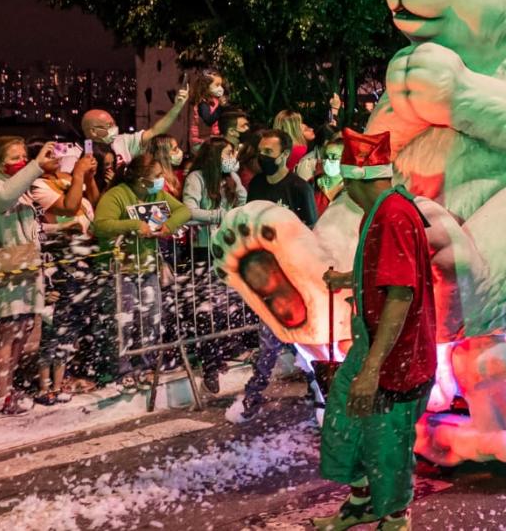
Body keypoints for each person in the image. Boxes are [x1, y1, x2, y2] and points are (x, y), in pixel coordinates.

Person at [312, 129, 436, 531]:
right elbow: (389, 273)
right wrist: (350, 279)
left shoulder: (394, 215)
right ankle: (362, 501)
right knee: (346, 419)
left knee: (387, 439)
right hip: (374, 344)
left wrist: (372, 369)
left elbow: (400, 294)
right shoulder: (383, 210)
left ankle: (394, 519)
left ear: (351, 181)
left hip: (395, 354)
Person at [232, 128, 319, 419]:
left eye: (269, 153)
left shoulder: (298, 188)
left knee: (301, 340)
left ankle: (317, 389)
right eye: (261, 151)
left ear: (284, 155)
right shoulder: (257, 184)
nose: (263, 157)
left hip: (295, 278)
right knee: (269, 341)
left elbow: (311, 230)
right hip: (267, 278)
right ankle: (254, 394)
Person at [92, 153, 191, 389]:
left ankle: (147, 366)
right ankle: (121, 369)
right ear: (141, 179)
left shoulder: (156, 194)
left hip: (148, 267)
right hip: (120, 270)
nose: (161, 180)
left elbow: (184, 211)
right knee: (122, 322)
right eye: (157, 176)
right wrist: (134, 225)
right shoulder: (117, 195)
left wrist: (168, 225)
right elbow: (101, 224)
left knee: (151, 318)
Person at [0, 137, 53, 418]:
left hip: (27, 264)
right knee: (7, 334)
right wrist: (34, 166)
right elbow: (1, 200)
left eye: (23, 155)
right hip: (8, 267)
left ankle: (8, 390)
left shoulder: (19, 188)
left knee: (23, 330)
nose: (20, 161)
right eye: (13, 157)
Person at [27, 140, 99, 405]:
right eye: (51, 155)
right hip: (56, 263)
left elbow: (93, 204)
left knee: (70, 327)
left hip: (80, 260)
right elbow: (68, 208)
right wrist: (78, 174)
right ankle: (44, 386)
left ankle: (60, 381)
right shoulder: (37, 185)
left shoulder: (67, 179)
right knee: (52, 326)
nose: (58, 159)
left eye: (57, 154)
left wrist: (87, 177)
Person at [182, 137, 247, 393]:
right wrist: (220, 216)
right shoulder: (197, 178)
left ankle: (224, 353)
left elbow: (242, 200)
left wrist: (235, 175)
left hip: (228, 250)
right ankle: (210, 362)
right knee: (207, 309)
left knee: (227, 307)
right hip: (203, 250)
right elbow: (188, 211)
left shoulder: (230, 179)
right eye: (229, 153)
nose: (233, 157)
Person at [73, 85, 190, 171]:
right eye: (109, 126)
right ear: (93, 131)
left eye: (114, 124)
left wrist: (177, 107)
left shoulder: (123, 141)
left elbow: (155, 131)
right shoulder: (75, 153)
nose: (114, 128)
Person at [186, 68, 227, 152]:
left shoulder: (214, 100)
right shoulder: (203, 104)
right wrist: (220, 107)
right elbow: (209, 120)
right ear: (206, 86)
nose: (220, 88)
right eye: (217, 85)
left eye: (221, 85)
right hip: (200, 143)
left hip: (211, 139)